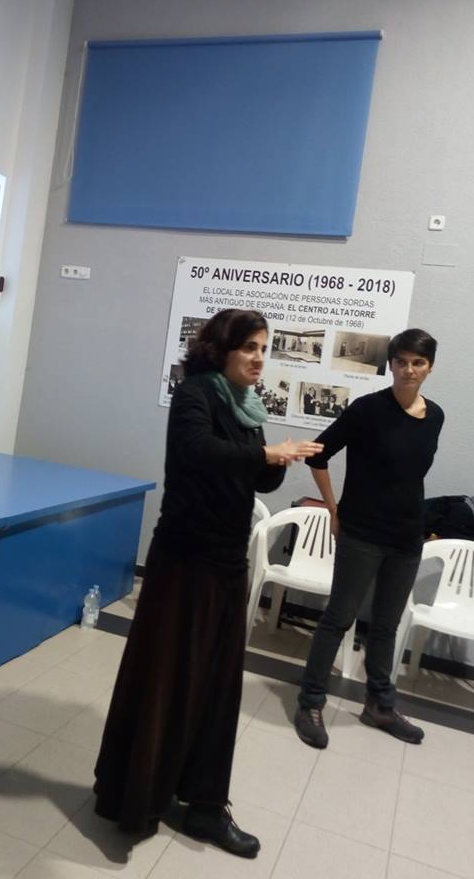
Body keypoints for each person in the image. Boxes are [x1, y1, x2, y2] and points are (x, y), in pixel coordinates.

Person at [93, 309, 323, 858]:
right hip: (185, 558)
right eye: (250, 347)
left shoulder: (247, 403)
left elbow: (255, 476)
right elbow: (197, 453)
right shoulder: (195, 393)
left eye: (264, 348)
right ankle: (139, 797)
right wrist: (263, 453)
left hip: (225, 560)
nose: (259, 358)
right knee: (168, 677)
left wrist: (277, 460)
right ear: (222, 349)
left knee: (217, 688)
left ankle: (204, 805)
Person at [293, 328, 444, 748]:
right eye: (402, 361)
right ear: (391, 364)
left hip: (406, 537)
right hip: (361, 532)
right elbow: (319, 454)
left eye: (418, 362)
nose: (409, 370)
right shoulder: (367, 409)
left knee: (386, 626)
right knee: (338, 618)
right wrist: (333, 509)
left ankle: (379, 705)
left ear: (430, 367)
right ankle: (310, 702)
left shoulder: (435, 416)